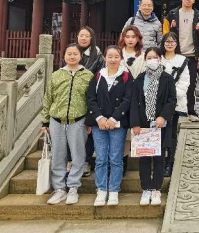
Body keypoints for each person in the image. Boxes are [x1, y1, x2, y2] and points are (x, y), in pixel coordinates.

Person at [40, 44, 93, 205]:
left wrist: (90, 120)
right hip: (56, 121)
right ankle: (59, 188)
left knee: (78, 155)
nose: (72, 56)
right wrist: (45, 121)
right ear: (64, 56)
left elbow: (91, 100)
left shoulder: (88, 75)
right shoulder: (56, 75)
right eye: (69, 53)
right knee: (58, 155)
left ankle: (73, 187)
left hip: (78, 120)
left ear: (80, 56)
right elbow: (48, 98)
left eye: (75, 54)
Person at [86, 46, 133, 207]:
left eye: (116, 56)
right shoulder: (98, 76)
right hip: (99, 123)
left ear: (121, 58)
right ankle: (101, 189)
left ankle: (113, 190)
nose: (113, 59)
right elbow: (91, 98)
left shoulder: (126, 77)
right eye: (110, 56)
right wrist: (99, 117)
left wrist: (114, 118)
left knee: (115, 158)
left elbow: (127, 99)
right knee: (100, 158)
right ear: (104, 58)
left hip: (117, 123)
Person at [130, 47, 176, 206]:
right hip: (143, 126)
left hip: (160, 125)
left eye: (155, 57)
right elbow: (134, 102)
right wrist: (135, 123)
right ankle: (146, 189)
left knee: (159, 158)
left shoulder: (167, 78)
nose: (152, 60)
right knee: (144, 158)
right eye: (149, 58)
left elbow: (171, 100)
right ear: (145, 60)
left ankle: (156, 189)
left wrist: (163, 116)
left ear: (160, 59)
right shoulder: (139, 79)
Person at [67, 26, 104, 177]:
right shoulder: (72, 52)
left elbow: (100, 77)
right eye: (81, 35)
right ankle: (71, 160)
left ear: (91, 38)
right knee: (71, 131)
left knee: (88, 131)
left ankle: (86, 161)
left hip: (90, 98)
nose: (83, 38)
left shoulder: (97, 56)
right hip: (72, 99)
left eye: (86, 36)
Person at [163, 0, 199, 122]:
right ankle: (170, 111)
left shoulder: (198, 15)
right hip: (175, 54)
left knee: (191, 85)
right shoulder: (172, 14)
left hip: (191, 55)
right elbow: (165, 34)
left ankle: (191, 111)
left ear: (194, 0)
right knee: (171, 83)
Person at [161, 32, 189, 177]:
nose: (170, 44)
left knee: (171, 133)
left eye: (172, 41)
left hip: (174, 104)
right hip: (158, 104)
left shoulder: (182, 60)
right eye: (167, 41)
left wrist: (170, 96)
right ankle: (160, 161)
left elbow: (184, 83)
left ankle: (170, 162)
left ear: (177, 44)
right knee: (159, 133)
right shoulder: (158, 59)